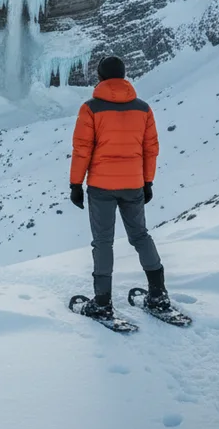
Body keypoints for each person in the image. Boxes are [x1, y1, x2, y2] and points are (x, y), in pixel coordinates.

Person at [68, 55, 168, 316]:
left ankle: (102, 302)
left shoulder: (90, 108)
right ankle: (158, 293)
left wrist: (76, 185)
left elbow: (82, 150)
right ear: (124, 76)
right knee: (140, 236)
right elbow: (151, 149)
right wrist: (147, 182)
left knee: (103, 242)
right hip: (133, 184)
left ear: (100, 77)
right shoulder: (144, 109)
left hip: (101, 186)